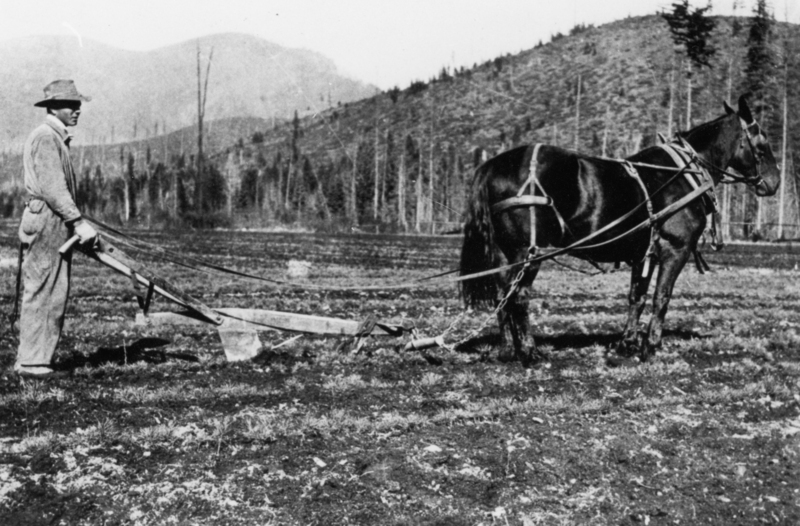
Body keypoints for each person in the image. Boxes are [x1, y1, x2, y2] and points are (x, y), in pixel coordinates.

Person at [15, 80, 98, 378]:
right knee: (47, 288)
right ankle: (33, 363)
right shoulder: (47, 137)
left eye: (77, 105)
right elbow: (53, 188)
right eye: (69, 105)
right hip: (49, 220)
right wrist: (76, 221)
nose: (76, 111)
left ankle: (33, 359)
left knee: (50, 287)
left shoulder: (53, 136)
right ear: (52, 107)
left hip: (51, 218)